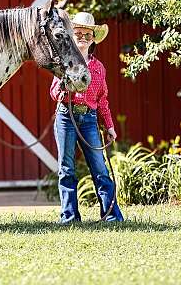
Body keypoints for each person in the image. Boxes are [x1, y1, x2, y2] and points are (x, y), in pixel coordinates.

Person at [50, 12, 124, 223]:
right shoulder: (65, 63)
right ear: (72, 36)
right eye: (78, 33)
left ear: (93, 39)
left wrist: (109, 126)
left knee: (100, 167)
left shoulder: (99, 68)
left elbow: (102, 100)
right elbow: (54, 93)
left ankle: (111, 216)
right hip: (66, 116)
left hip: (89, 119)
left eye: (87, 34)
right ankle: (69, 216)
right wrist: (64, 87)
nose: (82, 37)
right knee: (66, 168)